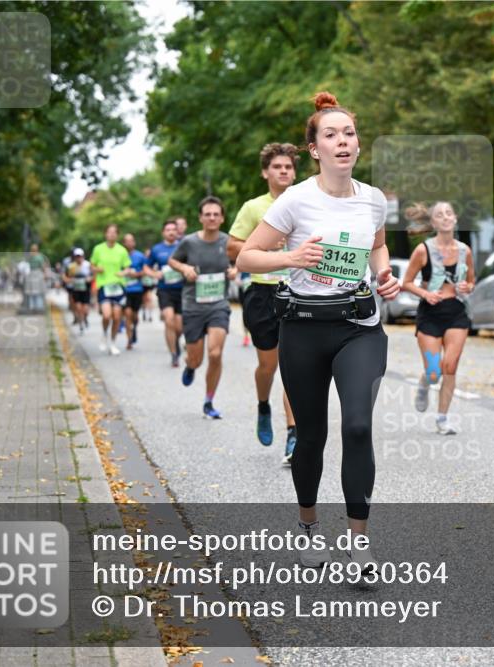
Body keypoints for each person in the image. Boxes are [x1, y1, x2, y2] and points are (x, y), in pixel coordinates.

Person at [237, 92, 401, 573]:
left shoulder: (372, 199)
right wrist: (290, 257)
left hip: (359, 327)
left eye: (348, 133)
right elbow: (248, 256)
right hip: (304, 329)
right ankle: (309, 527)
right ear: (315, 149)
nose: (342, 141)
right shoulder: (295, 200)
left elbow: (378, 250)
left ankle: (358, 544)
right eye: (331, 135)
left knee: (357, 426)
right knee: (311, 436)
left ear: (357, 143)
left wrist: (385, 274)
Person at [228, 142, 300, 462]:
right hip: (263, 293)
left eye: (288, 167)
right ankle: (262, 406)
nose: (284, 171)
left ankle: (294, 434)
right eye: (277, 167)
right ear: (265, 172)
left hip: (298, 291)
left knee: (293, 367)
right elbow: (233, 248)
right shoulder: (254, 207)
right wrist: (269, 246)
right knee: (268, 366)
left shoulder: (306, 203)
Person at [401, 201, 475, 435]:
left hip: (456, 312)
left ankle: (442, 418)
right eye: (440, 215)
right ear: (433, 222)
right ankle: (425, 383)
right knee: (435, 372)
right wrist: (426, 293)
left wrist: (467, 286)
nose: (445, 217)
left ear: (454, 219)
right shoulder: (423, 250)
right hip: (430, 314)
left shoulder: (465, 251)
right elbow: (406, 282)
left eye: (449, 213)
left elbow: (471, 281)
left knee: (450, 367)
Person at [168, 196, 236, 419]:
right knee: (196, 359)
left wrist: (237, 271)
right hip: (193, 307)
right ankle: (190, 365)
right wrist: (184, 268)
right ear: (200, 218)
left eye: (216, 214)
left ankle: (209, 401)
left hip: (218, 304)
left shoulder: (228, 242)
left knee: (215, 354)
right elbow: (172, 261)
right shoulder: (189, 242)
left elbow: (241, 261)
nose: (212, 217)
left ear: (222, 218)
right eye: (207, 214)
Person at [147, 220, 185, 366]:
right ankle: (174, 354)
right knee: (169, 320)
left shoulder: (183, 246)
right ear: (163, 232)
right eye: (168, 229)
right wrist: (154, 274)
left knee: (179, 327)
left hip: (182, 290)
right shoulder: (156, 249)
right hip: (165, 290)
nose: (171, 232)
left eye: (173, 230)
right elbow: (146, 267)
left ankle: (175, 340)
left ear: (177, 232)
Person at [90, 224, 131, 355]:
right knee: (107, 315)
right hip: (104, 286)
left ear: (117, 235)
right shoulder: (98, 249)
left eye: (114, 232)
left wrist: (123, 273)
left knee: (117, 317)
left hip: (118, 286)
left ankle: (113, 342)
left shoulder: (122, 250)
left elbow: (127, 268)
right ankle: (104, 334)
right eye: (109, 232)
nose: (112, 235)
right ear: (105, 234)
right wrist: (97, 269)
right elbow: (91, 265)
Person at [121, 233, 146, 350]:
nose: (129, 243)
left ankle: (134, 328)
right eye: (127, 241)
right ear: (124, 243)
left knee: (135, 316)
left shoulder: (140, 256)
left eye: (131, 241)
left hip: (137, 289)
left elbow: (145, 271)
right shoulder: (120, 255)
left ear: (134, 243)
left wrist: (135, 274)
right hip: (125, 290)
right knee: (127, 314)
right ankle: (129, 340)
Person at [64, 248, 92, 333]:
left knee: (85, 309)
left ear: (83, 256)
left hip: (86, 289)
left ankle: (85, 318)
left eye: (80, 256)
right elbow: (65, 276)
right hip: (76, 290)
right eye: (77, 256)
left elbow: (93, 275)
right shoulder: (71, 266)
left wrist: (89, 279)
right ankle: (81, 325)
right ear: (74, 257)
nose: (79, 258)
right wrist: (69, 280)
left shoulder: (88, 265)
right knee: (78, 308)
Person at [141, 245, 156, 322]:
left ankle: (150, 314)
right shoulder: (143, 262)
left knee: (149, 298)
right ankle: (144, 312)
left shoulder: (153, 261)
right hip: (143, 283)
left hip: (150, 283)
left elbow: (155, 271)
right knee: (144, 299)